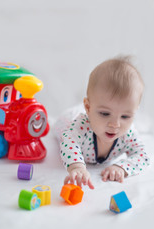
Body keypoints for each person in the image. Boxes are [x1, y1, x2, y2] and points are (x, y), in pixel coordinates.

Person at [55, 56, 150, 189]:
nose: (115, 124)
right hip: (68, 119)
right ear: (88, 107)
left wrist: (121, 168)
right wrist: (77, 167)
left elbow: (143, 156)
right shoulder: (80, 126)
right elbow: (69, 142)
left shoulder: (128, 133)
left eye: (125, 116)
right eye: (105, 114)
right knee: (64, 121)